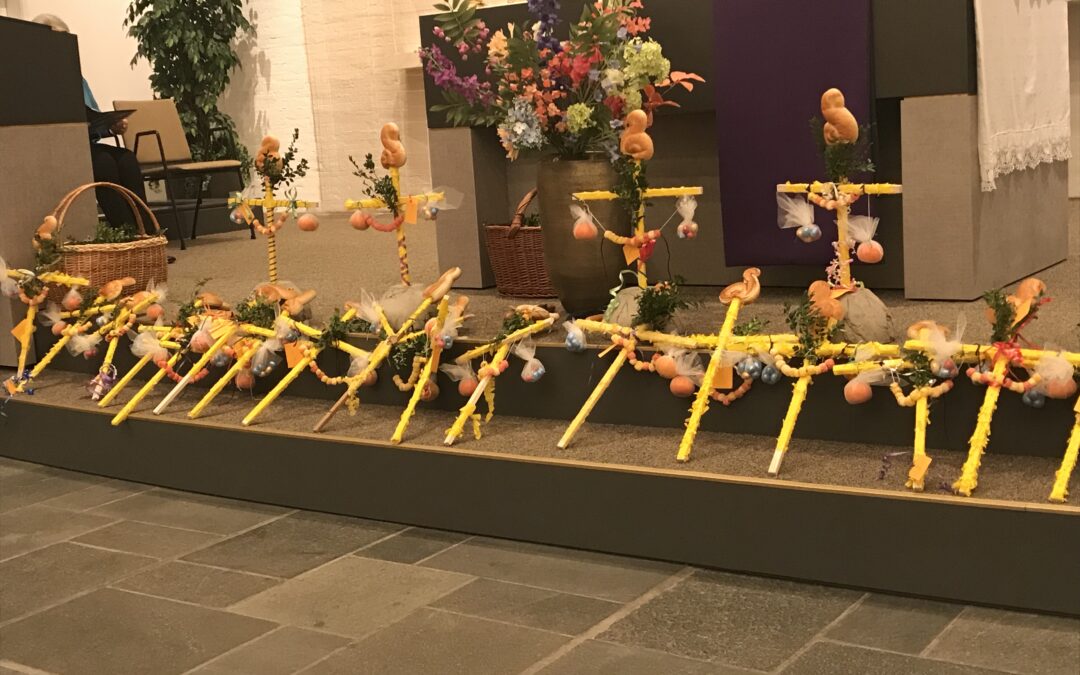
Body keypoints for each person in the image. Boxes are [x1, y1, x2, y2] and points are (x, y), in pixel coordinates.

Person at [33, 13, 149, 236]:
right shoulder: (34, 78)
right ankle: (125, 234)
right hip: (54, 148)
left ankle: (147, 233)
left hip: (84, 144)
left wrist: (111, 127)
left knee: (127, 159)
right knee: (103, 162)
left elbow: (93, 117)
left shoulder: (78, 78)